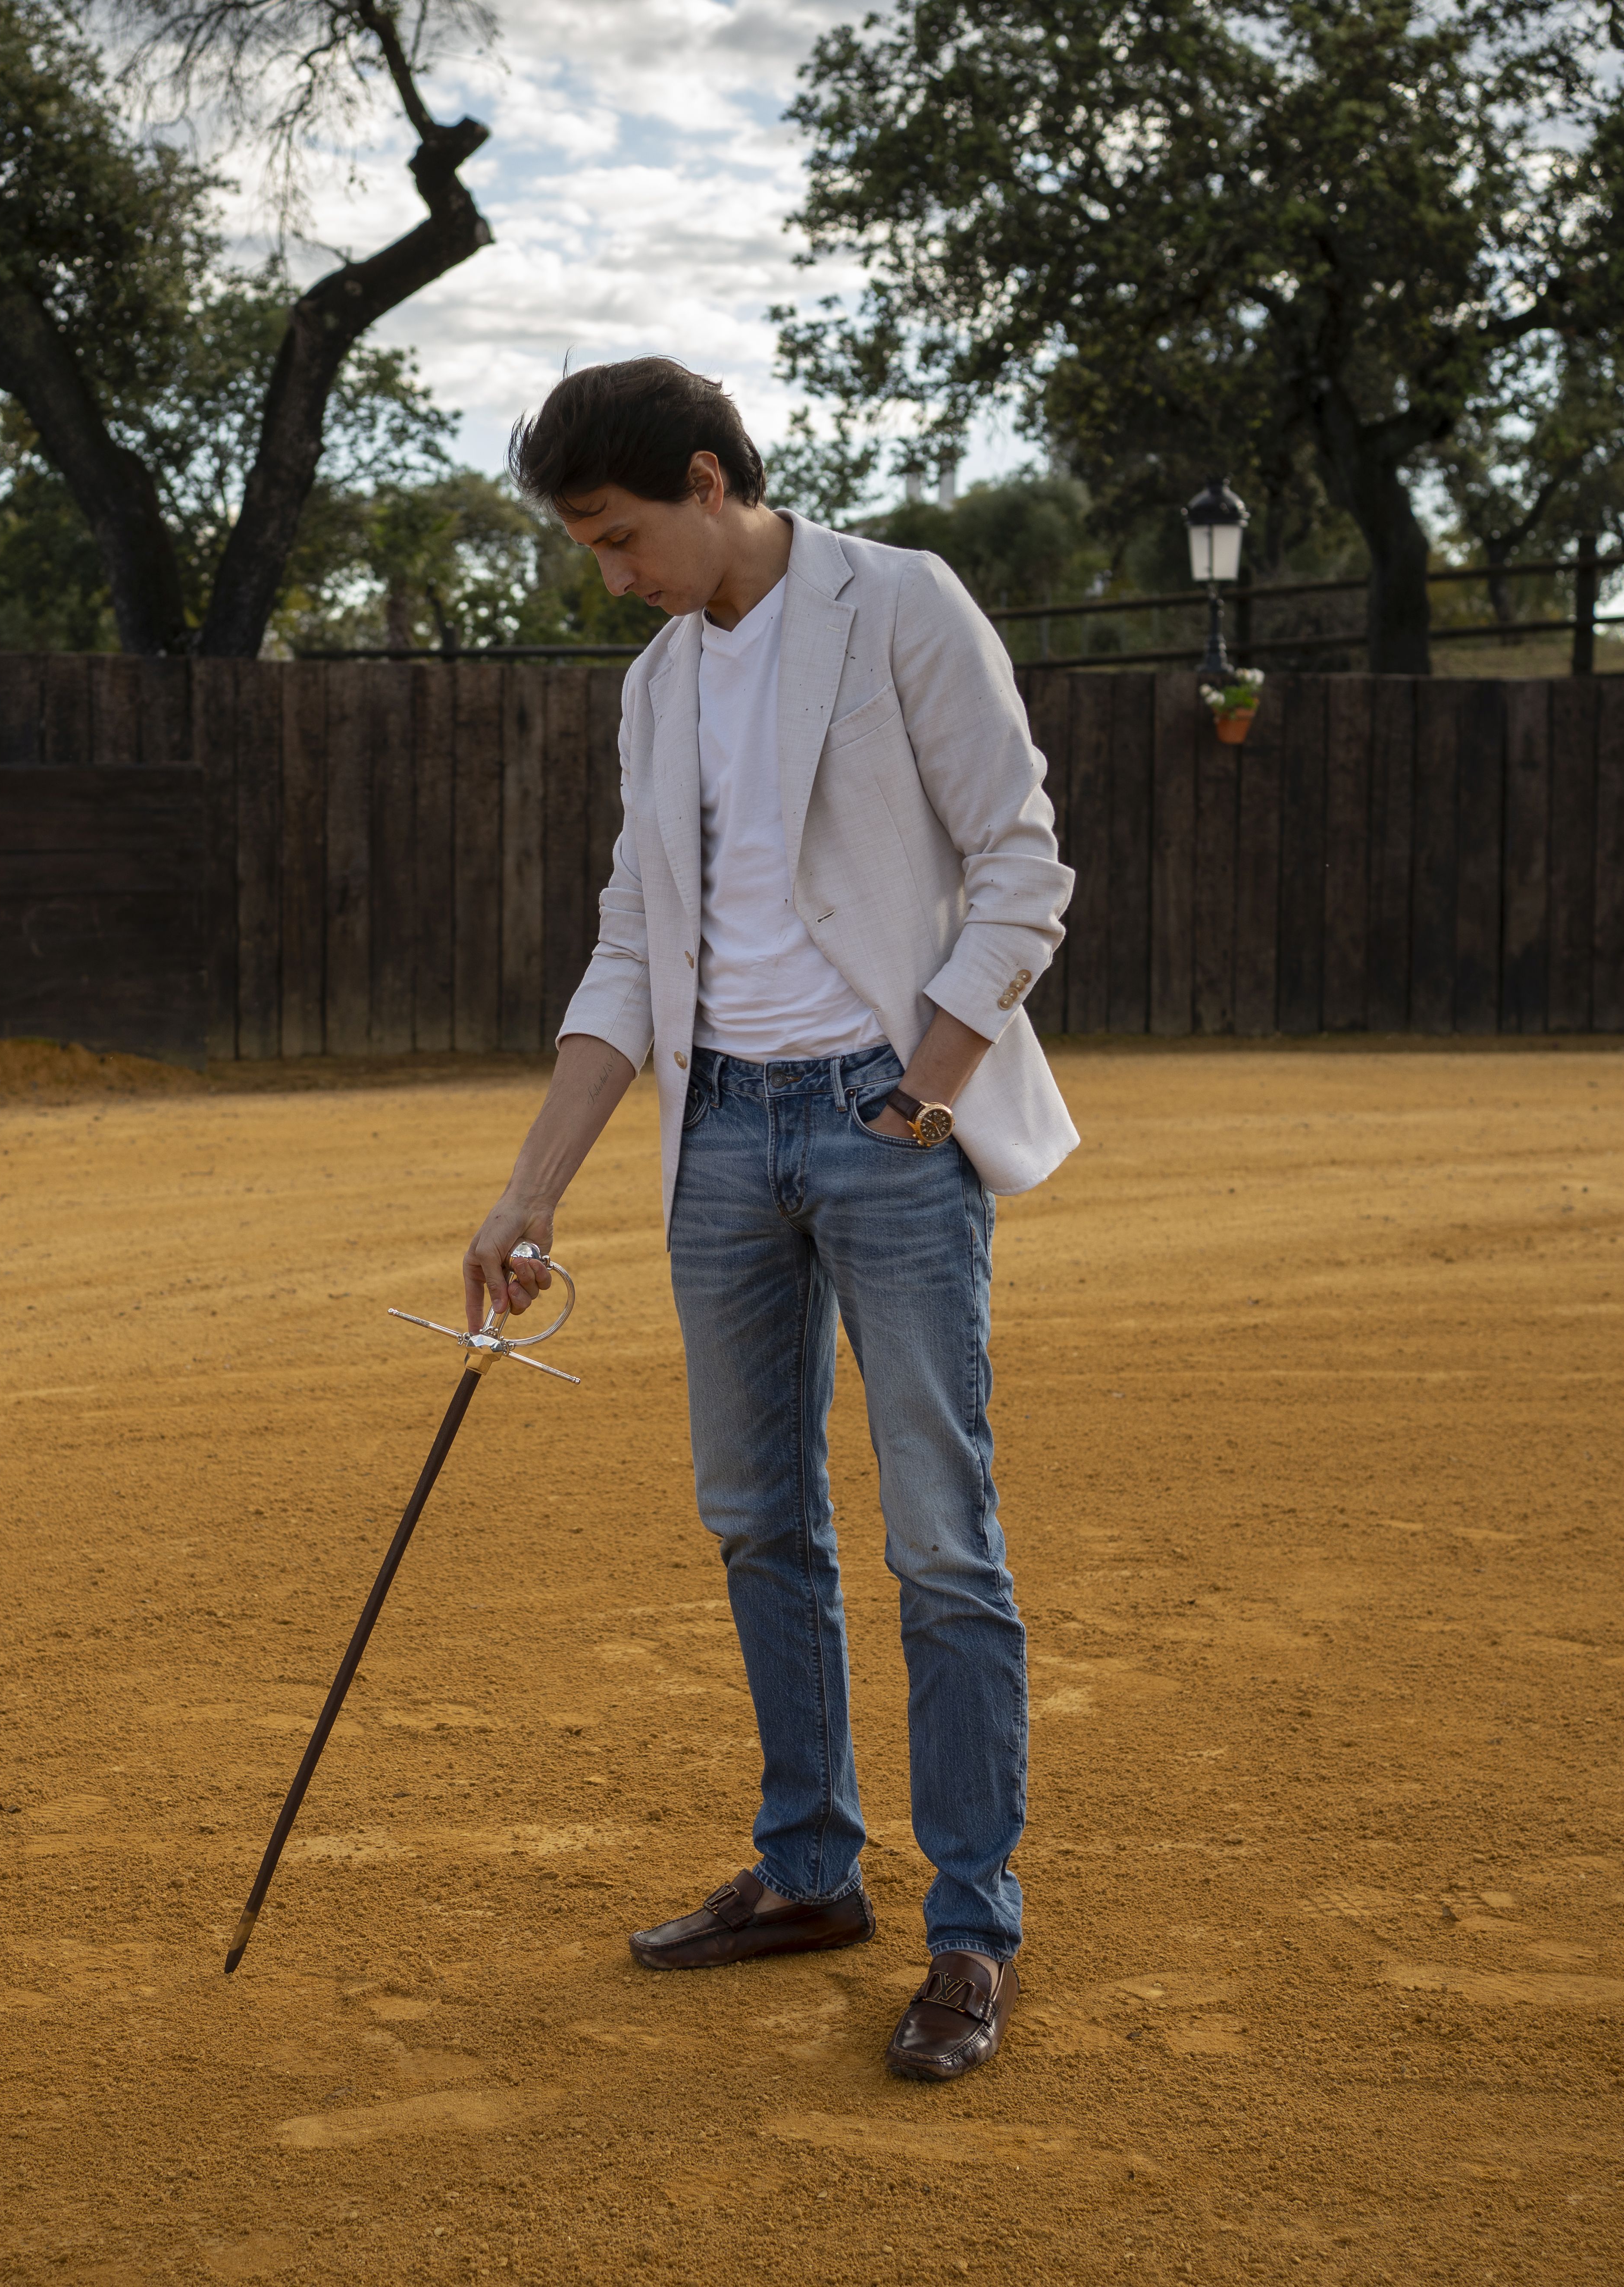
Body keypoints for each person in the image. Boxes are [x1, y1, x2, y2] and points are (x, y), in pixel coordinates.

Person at [463, 359, 1076, 2082]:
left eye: (619, 537)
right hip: (717, 1137)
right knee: (755, 1522)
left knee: (939, 1537)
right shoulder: (658, 689)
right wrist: (528, 1192)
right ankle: (811, 1872)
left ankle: (969, 1929)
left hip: (887, 1126)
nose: (611, 578)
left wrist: (927, 1089)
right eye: (588, 549)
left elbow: (1022, 863)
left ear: (712, 480)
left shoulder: (899, 604)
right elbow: (632, 950)